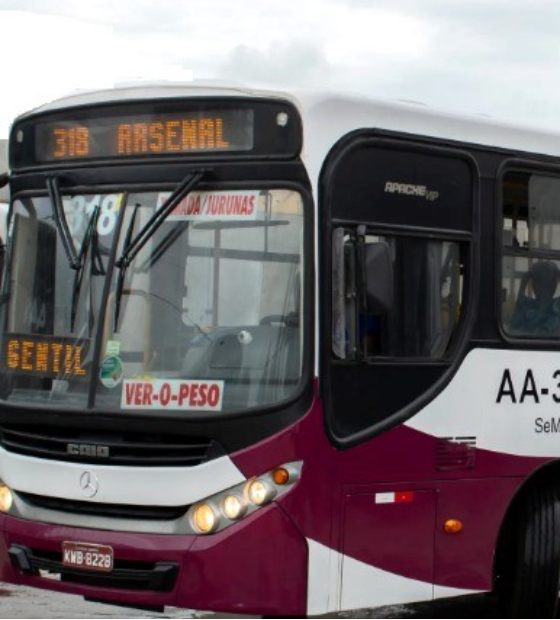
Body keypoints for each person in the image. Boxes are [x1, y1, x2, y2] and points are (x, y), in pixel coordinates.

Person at [510, 261, 560, 336]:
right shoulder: (557, 306)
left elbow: (514, 327)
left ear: (533, 286)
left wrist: (523, 285)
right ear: (554, 285)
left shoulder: (525, 307)